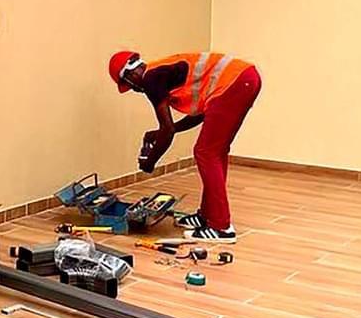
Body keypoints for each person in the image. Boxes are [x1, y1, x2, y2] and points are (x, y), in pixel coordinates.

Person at [108, 50, 262, 243]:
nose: (135, 90)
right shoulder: (160, 71)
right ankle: (207, 216)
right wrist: (160, 133)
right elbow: (196, 116)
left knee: (206, 152)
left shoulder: (150, 80)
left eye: (130, 87)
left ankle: (221, 227)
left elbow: (167, 130)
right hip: (244, 78)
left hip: (236, 82)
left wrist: (150, 162)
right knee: (215, 151)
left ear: (130, 76)